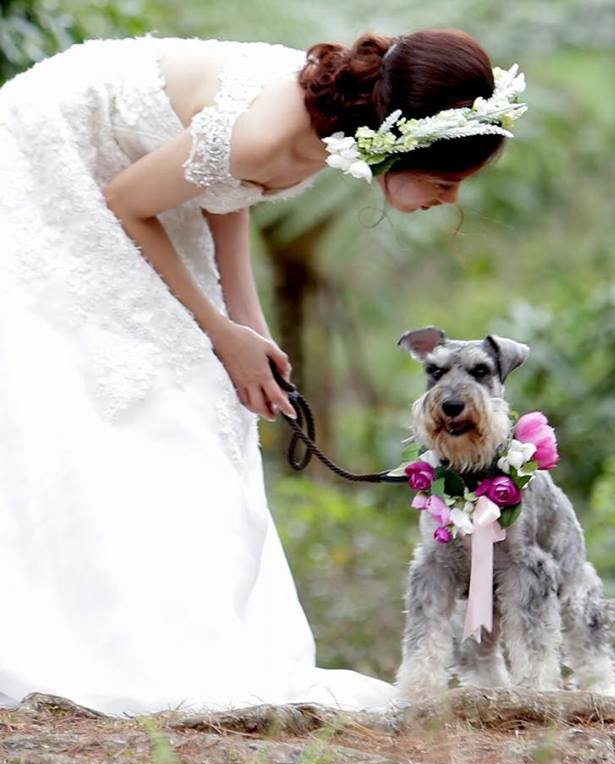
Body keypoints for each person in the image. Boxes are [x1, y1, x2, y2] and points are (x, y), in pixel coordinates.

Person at [0, 29, 526, 714]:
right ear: (402, 145)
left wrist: (247, 327)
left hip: (146, 185)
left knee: (214, 389)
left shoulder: (334, 129)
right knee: (148, 386)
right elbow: (129, 200)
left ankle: (183, 630)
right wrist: (218, 331)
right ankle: (103, 639)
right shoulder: (268, 134)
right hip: (57, 160)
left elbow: (224, 196)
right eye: (445, 180)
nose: (447, 200)